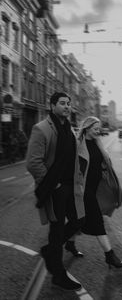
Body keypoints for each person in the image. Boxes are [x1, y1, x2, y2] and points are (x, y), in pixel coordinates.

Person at [26, 92, 85, 291]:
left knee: (79, 219)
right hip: (55, 189)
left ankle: (50, 250)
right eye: (62, 103)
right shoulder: (41, 129)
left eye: (69, 103)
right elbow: (33, 163)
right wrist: (54, 185)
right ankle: (58, 275)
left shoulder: (69, 129)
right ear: (52, 106)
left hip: (71, 187)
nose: (67, 106)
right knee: (57, 228)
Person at [67, 116, 122, 269]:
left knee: (78, 220)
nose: (98, 131)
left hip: (96, 187)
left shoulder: (97, 142)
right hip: (83, 190)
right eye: (95, 129)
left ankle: (69, 243)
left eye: (99, 128)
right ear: (87, 128)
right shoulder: (77, 144)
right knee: (97, 222)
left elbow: (103, 161)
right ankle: (110, 256)